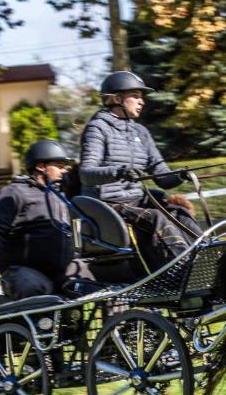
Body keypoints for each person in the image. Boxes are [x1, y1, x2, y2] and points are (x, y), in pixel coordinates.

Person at [78, 70, 201, 272]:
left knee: (179, 211)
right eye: (135, 96)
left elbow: (162, 177)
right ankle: (183, 271)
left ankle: (206, 257)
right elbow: (86, 173)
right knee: (156, 218)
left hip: (135, 200)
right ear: (116, 98)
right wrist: (119, 171)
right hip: (108, 204)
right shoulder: (97, 128)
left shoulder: (140, 132)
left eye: (141, 96)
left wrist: (180, 175)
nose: (141, 101)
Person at [0, 140, 74, 300]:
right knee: (35, 287)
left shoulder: (59, 196)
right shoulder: (15, 193)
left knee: (87, 284)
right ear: (41, 166)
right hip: (23, 273)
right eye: (59, 166)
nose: (64, 171)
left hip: (59, 273)